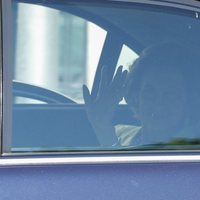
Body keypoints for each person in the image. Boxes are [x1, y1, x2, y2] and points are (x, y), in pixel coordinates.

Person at [83, 43, 200, 148]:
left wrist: (105, 133)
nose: (158, 104)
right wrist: (101, 123)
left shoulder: (191, 149)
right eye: (149, 93)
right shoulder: (120, 132)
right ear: (136, 97)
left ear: (188, 101)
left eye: (170, 95)